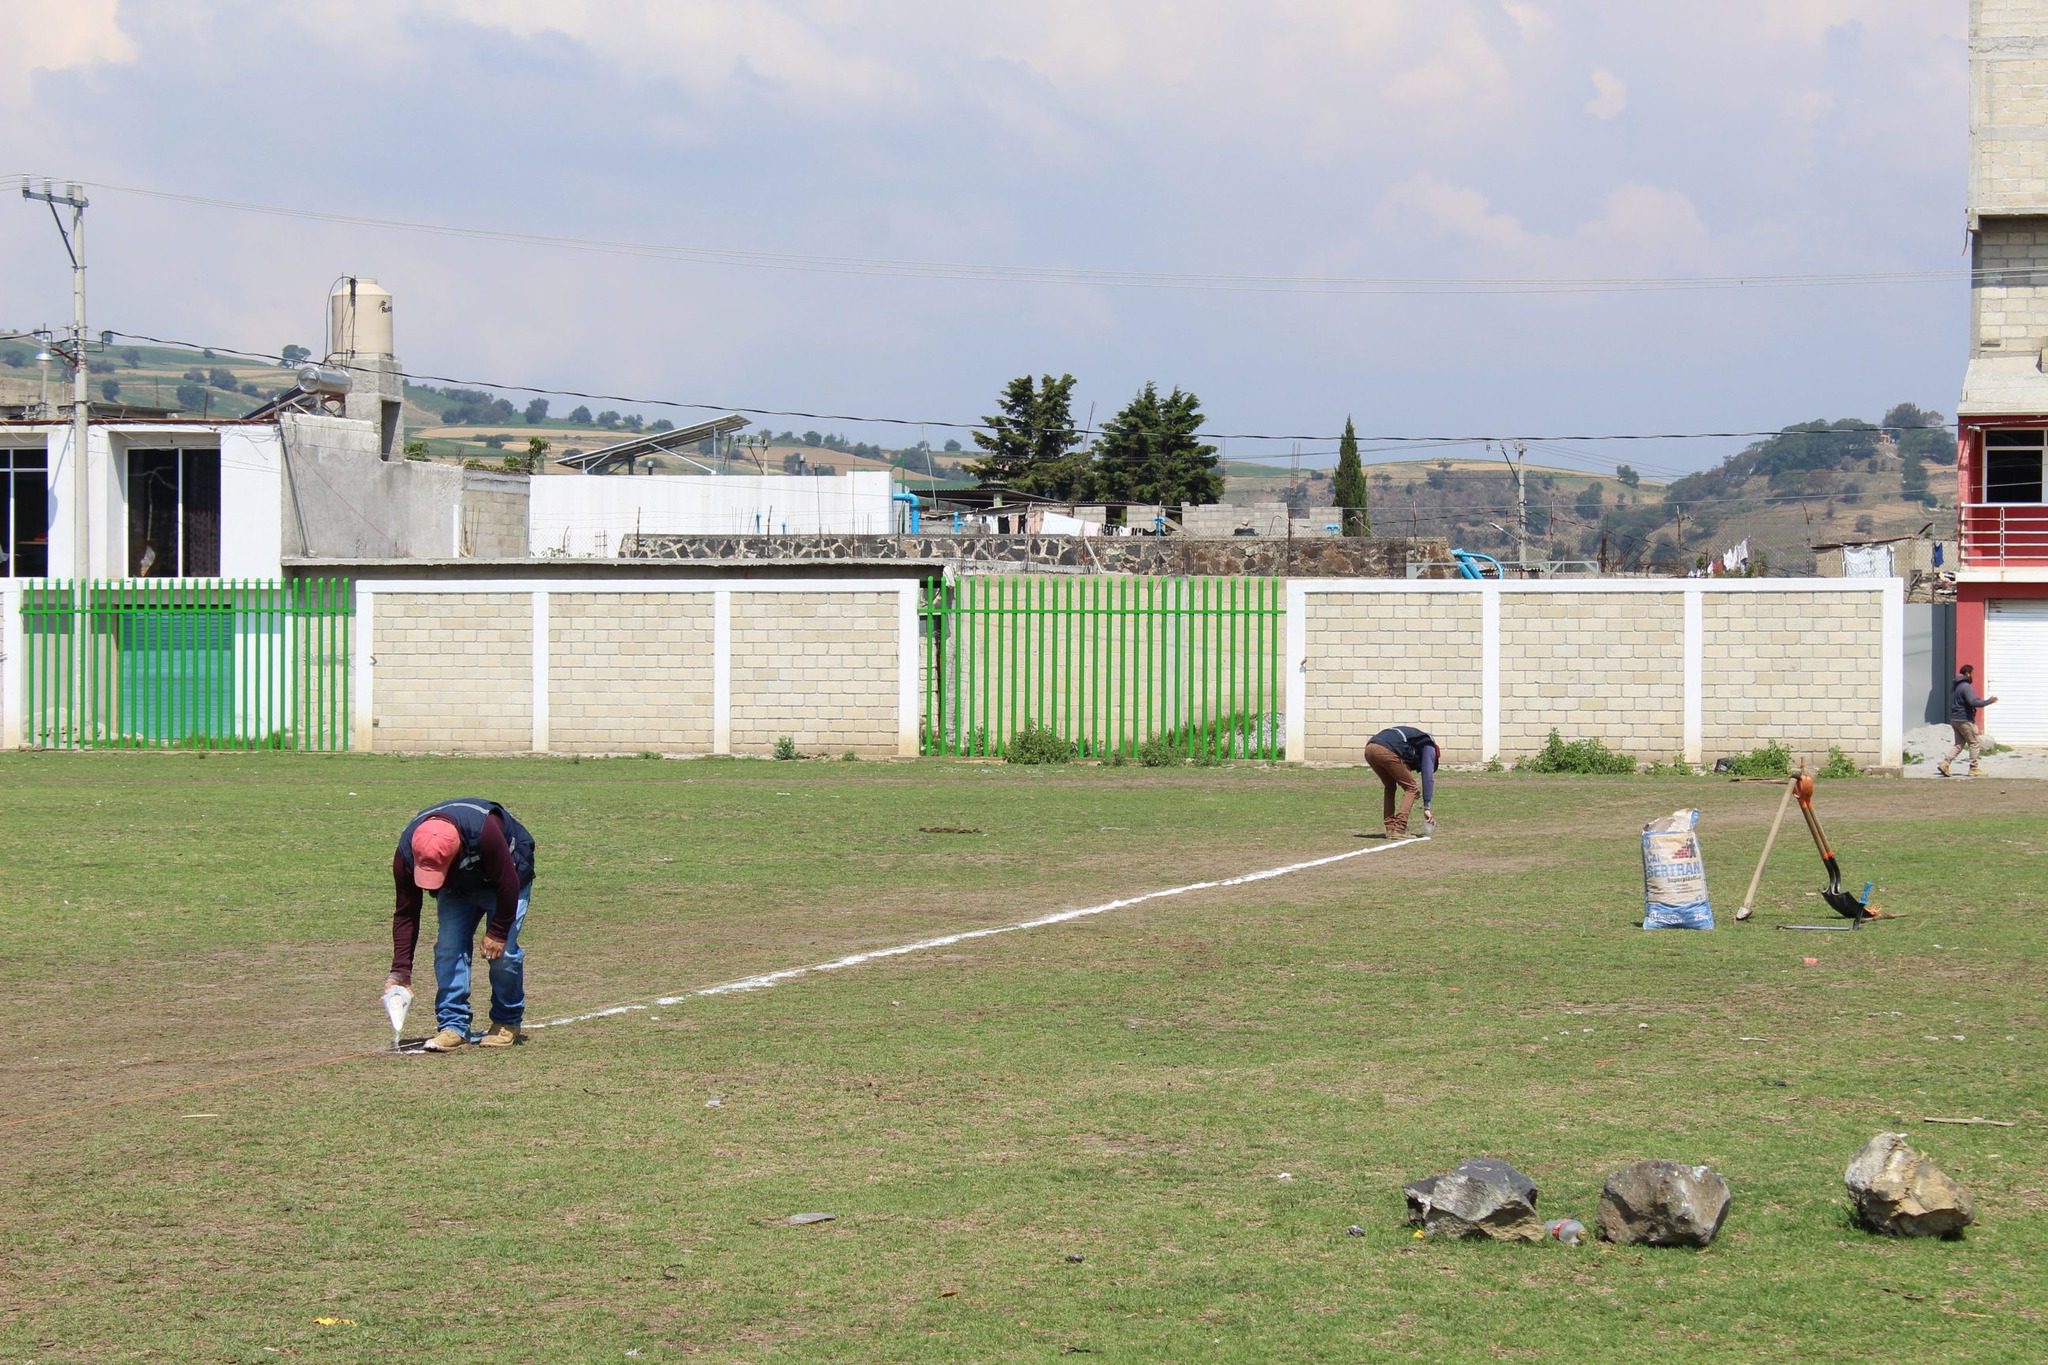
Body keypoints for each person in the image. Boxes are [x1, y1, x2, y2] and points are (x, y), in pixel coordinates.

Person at [387, 798, 538, 1051]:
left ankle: (506, 1021)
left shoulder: (485, 832)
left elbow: (508, 883)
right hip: (457, 887)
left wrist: (498, 932)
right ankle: (453, 1025)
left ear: (457, 851)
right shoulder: (407, 852)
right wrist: (400, 972)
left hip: (507, 881)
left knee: (504, 954)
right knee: (448, 949)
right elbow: (406, 912)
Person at [1363, 725, 1440, 837]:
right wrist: (1427, 807)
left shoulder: (1414, 739)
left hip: (1370, 748)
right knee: (1412, 788)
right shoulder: (1429, 745)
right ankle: (1399, 828)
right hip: (1386, 750)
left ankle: (1390, 828)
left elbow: (1403, 764)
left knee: (1390, 786)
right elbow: (1427, 775)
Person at [1939, 664, 1998, 777]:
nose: (1973, 676)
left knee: (1959, 744)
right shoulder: (1966, 686)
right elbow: (1973, 702)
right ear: (1968, 673)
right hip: (1964, 719)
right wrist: (1988, 701)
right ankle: (1973, 768)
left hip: (1955, 719)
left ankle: (1945, 763)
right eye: (1972, 673)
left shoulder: (1955, 687)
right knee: (1974, 743)